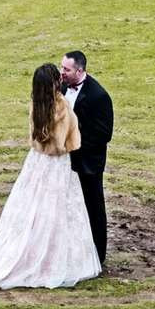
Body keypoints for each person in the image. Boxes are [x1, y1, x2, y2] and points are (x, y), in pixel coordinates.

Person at [0, 64, 103, 290]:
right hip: (57, 165)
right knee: (56, 209)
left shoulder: (36, 106)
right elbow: (70, 143)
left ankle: (30, 247)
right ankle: (52, 256)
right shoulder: (63, 108)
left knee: (32, 206)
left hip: (36, 162)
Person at [60, 50, 113, 266]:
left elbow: (103, 134)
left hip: (88, 163)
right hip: (65, 161)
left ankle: (97, 255)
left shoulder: (98, 96)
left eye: (66, 69)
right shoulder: (62, 87)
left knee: (93, 207)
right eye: (61, 67)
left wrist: (73, 143)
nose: (61, 72)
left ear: (79, 71)